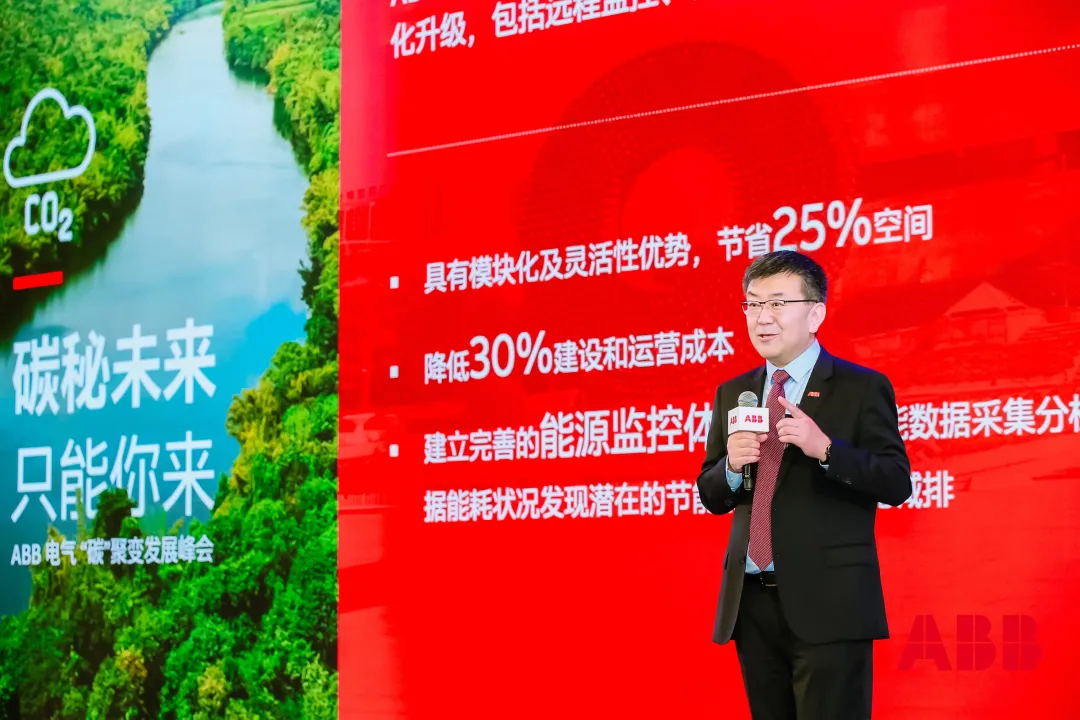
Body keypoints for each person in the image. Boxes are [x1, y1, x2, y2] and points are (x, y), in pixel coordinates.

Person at [696, 250, 911, 720]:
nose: (761, 318)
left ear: (815, 314)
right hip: (751, 600)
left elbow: (896, 482)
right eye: (753, 304)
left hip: (830, 601)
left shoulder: (859, 387)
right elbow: (711, 494)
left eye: (777, 303)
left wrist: (826, 449)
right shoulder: (734, 392)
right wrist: (731, 466)